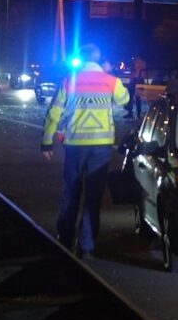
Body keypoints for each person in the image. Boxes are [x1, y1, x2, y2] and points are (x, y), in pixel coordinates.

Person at [41, 43, 130, 259]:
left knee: (70, 191)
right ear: (99, 60)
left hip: (75, 146)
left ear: (80, 58)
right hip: (101, 147)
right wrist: (109, 75)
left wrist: (47, 142)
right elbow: (125, 100)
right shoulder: (111, 81)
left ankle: (65, 238)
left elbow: (54, 112)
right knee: (93, 196)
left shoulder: (69, 81)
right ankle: (87, 245)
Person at [124, 55, 148, 120]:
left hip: (138, 81)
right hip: (134, 81)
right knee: (132, 98)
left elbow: (142, 72)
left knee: (137, 99)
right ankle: (132, 113)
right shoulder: (135, 63)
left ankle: (137, 114)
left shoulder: (141, 63)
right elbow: (132, 73)